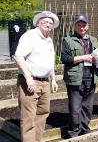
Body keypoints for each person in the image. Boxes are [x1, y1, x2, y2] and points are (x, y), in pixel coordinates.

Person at [61, 14, 98, 138]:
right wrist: (83, 57)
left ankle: (84, 129)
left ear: (87, 26)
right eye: (79, 25)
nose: (81, 28)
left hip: (91, 77)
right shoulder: (68, 40)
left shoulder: (94, 40)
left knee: (88, 107)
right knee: (75, 108)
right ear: (75, 26)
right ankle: (74, 132)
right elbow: (65, 58)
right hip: (75, 79)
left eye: (84, 25)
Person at [14, 11, 59, 142]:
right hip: (30, 82)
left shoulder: (49, 40)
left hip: (44, 83)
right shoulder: (30, 36)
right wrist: (28, 78)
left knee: (43, 114)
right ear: (38, 23)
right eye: (45, 22)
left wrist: (53, 79)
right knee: (29, 118)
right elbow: (18, 56)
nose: (49, 25)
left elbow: (49, 62)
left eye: (51, 23)